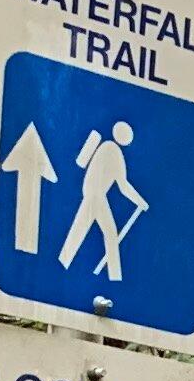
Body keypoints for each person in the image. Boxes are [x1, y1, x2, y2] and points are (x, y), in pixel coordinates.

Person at [61, 120, 150, 283]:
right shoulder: (114, 152)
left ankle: (63, 262)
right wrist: (141, 202)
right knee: (109, 232)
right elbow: (123, 185)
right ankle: (115, 277)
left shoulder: (105, 147)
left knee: (81, 229)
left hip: (91, 193)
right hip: (96, 195)